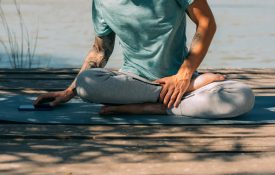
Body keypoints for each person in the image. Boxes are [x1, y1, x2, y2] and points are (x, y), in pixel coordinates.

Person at [34, 0, 255, 118]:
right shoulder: (102, 2)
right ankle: (177, 96)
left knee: (243, 96)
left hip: (179, 78)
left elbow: (207, 23)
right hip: (134, 81)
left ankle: (151, 108)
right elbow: (100, 51)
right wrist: (69, 92)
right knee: (86, 83)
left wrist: (184, 76)